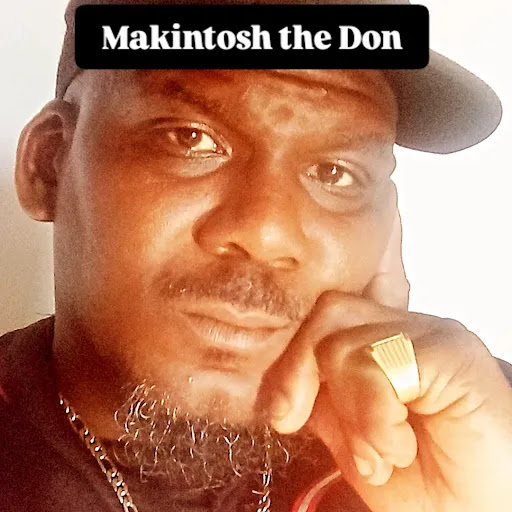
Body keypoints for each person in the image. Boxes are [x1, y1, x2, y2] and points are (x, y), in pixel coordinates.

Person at [1, 0, 511, 511]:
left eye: (335, 173)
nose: (267, 234)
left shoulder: (481, 431)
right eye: (190, 139)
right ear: (49, 165)